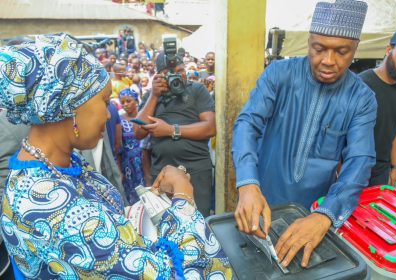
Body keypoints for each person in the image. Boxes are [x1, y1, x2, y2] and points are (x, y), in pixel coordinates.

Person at [0, 33, 232, 279]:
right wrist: (183, 196)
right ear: (70, 105)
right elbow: (174, 274)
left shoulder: (59, 165)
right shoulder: (52, 208)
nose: (110, 115)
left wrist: (152, 202)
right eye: (104, 101)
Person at [232, 0, 376, 268]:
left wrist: (326, 215)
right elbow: (247, 124)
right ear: (309, 42)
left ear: (355, 49)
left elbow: (360, 159)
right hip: (261, 202)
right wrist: (247, 183)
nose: (328, 61)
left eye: (342, 52)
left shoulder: (362, 99)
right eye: (318, 48)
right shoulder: (279, 74)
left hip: (314, 215)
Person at [134, 52, 216, 217]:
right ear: (159, 76)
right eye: (169, 73)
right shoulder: (152, 96)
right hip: (163, 173)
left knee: (199, 220)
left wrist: (171, 130)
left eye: (180, 70)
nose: (177, 76)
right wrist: (154, 96)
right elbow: (138, 132)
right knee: (168, 224)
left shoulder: (197, 90)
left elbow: (210, 128)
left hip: (197, 171)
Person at [360, 27, 396, 187]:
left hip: (382, 170)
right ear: (389, 50)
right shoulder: (361, 84)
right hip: (354, 166)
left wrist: (395, 168)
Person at [118, 88, 146, 205]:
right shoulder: (120, 121)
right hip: (128, 165)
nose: (125, 105)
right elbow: (118, 147)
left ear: (136, 101)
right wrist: (119, 169)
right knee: (132, 195)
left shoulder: (144, 115)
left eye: (128, 101)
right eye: (122, 102)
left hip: (144, 162)